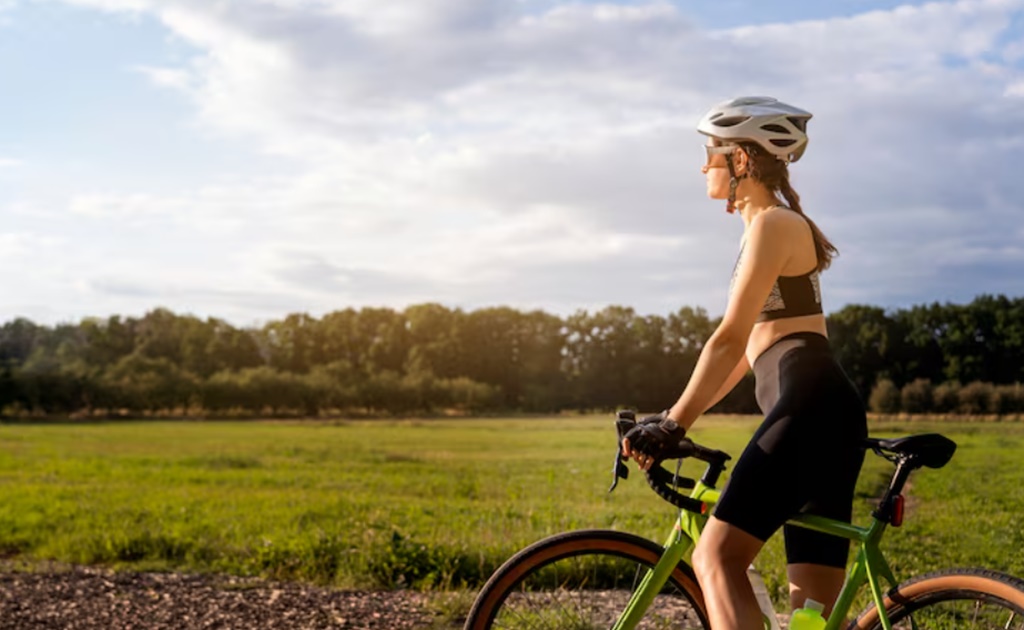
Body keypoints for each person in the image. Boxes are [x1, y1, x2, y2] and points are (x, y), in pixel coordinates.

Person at [622, 96, 868, 630]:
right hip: (826, 413)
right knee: (811, 621)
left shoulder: (774, 223)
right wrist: (676, 417)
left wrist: (672, 424)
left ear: (739, 159)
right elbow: (745, 355)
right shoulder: (772, 225)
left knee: (715, 558)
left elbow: (729, 340)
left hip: (807, 410)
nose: (702, 166)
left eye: (709, 153)